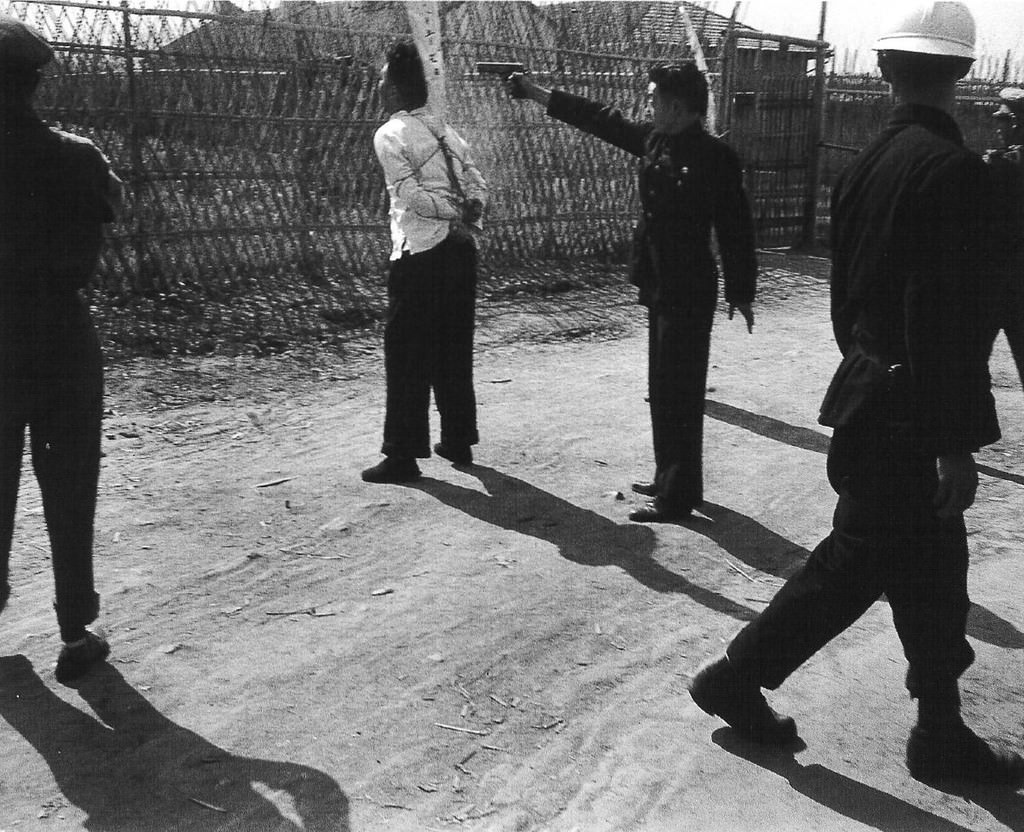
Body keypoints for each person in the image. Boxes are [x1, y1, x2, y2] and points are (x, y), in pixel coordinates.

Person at [688, 1, 1024, 786]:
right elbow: (942, 320)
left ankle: (939, 729)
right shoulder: (955, 176)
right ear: (966, 75)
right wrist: (952, 442)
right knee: (858, 561)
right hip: (910, 415)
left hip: (869, 395)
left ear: (881, 70)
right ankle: (738, 675)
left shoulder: (866, 165)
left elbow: (852, 302)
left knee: (934, 564)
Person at [506, 62, 757, 523]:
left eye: (655, 98)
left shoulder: (715, 157)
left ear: (678, 107)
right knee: (662, 386)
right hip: (659, 280)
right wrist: (535, 92)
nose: (648, 104)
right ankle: (672, 478)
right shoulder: (655, 140)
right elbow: (599, 117)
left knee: (680, 389)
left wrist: (742, 290)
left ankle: (677, 496)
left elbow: (736, 226)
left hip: (689, 286)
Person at [0, 14, 122, 684]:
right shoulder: (79, 156)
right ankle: (76, 630)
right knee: (70, 484)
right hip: (63, 335)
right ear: (36, 80)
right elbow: (108, 208)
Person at [362, 37, 488, 484]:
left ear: (394, 88)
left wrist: (455, 211)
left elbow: (410, 197)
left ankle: (402, 454)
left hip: (420, 253)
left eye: (381, 79)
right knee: (453, 345)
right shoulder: (447, 132)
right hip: (460, 251)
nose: (378, 87)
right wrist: (469, 213)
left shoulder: (390, 134)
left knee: (406, 351)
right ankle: (459, 438)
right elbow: (478, 186)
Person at [983, 86, 1024, 385]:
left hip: (997, 281)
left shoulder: (1000, 166)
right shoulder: (1001, 162)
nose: (997, 125)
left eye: (1003, 119)